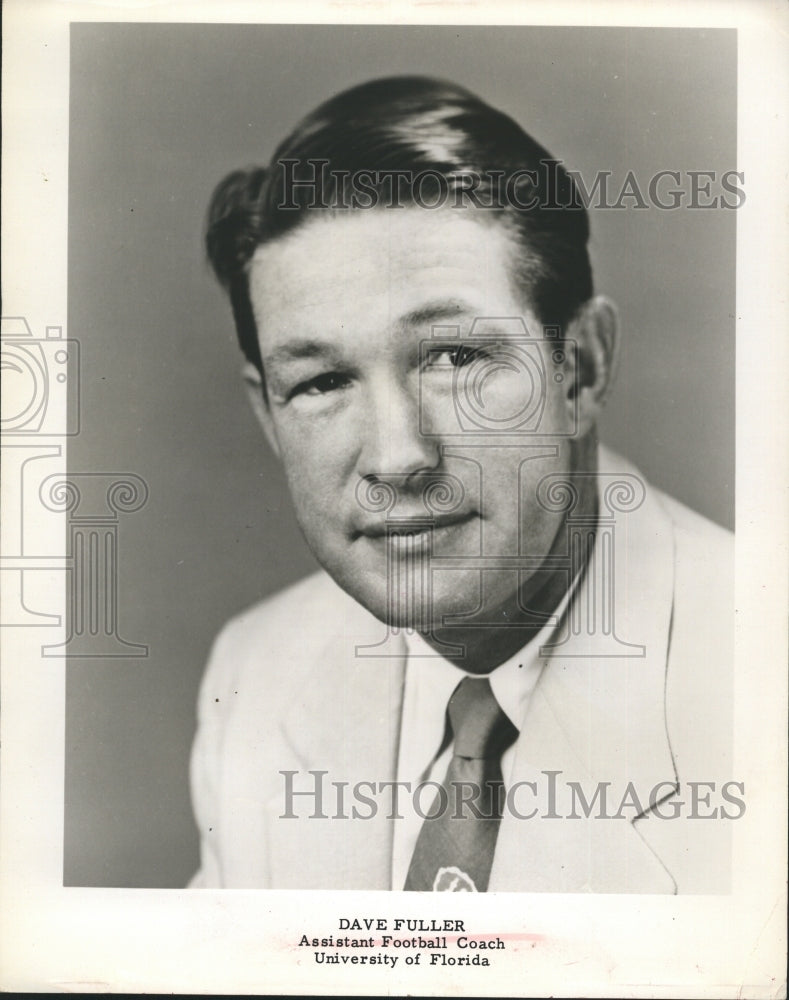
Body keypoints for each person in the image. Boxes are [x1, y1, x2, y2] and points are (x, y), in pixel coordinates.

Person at [188, 76, 734, 893]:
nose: (397, 457)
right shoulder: (256, 672)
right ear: (268, 416)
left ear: (580, 368)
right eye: (322, 383)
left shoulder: (760, 678)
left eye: (455, 358)